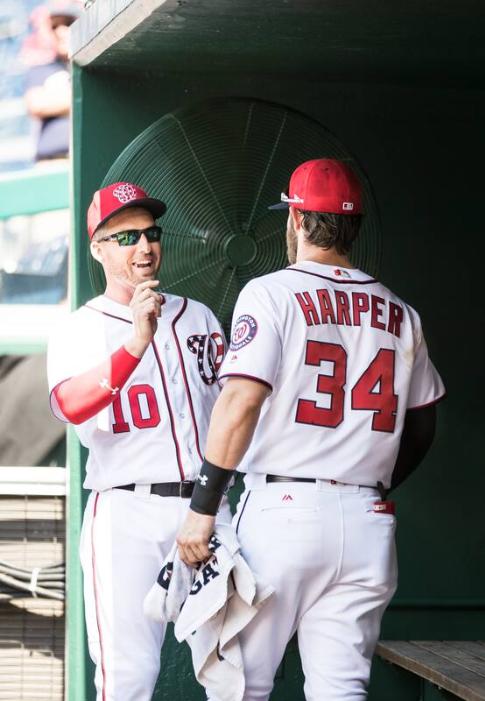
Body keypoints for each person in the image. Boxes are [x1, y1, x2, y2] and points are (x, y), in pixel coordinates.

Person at [176, 158, 446, 700]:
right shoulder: (402, 312)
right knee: (341, 691)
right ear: (354, 228)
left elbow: (239, 403)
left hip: (284, 512)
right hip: (367, 521)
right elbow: (422, 425)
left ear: (297, 220)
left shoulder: (270, 292)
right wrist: (371, 485)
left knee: (240, 687)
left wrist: (202, 507)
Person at [47, 181, 230, 700]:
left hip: (205, 508)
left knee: (234, 669)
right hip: (127, 512)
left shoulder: (197, 316)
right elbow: (68, 405)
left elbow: (233, 413)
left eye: (150, 233)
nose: (144, 247)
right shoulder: (80, 328)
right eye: (125, 237)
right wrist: (134, 343)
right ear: (98, 247)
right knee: (127, 679)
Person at [25, 1, 82, 162]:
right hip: (52, 161)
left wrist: (60, 100)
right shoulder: (42, 69)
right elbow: (36, 105)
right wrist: (81, 98)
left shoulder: (93, 66)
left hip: (84, 158)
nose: (61, 31)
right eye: (55, 26)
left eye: (68, 24)